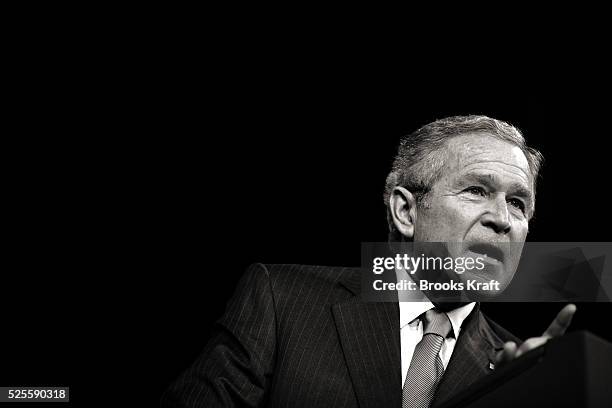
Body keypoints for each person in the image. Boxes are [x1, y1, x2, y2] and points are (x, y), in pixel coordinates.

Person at [161, 115, 576, 408]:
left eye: (519, 203)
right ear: (406, 213)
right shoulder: (279, 298)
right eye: (476, 190)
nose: (502, 220)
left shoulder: (513, 367)